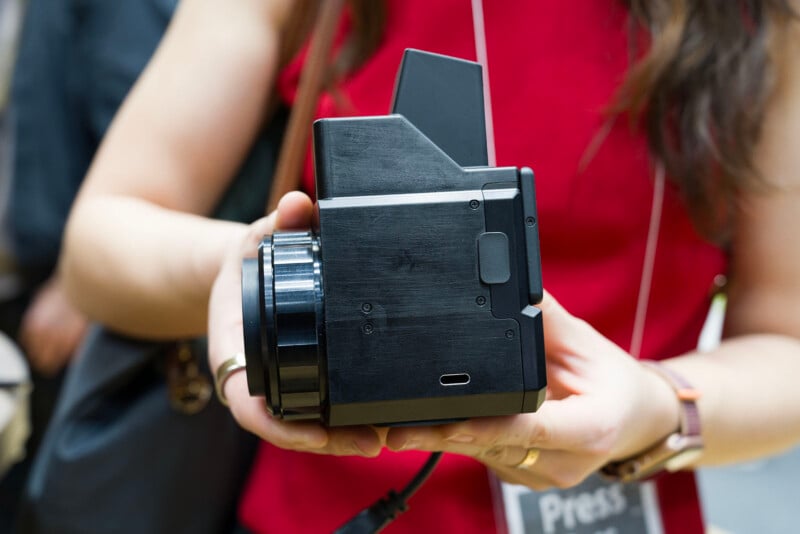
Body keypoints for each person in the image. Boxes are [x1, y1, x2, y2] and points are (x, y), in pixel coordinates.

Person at [60, 0, 800, 532]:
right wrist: (241, 271)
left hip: (612, 502)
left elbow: (786, 342)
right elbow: (100, 240)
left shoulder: (759, 23)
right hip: (329, 506)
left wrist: (657, 408)